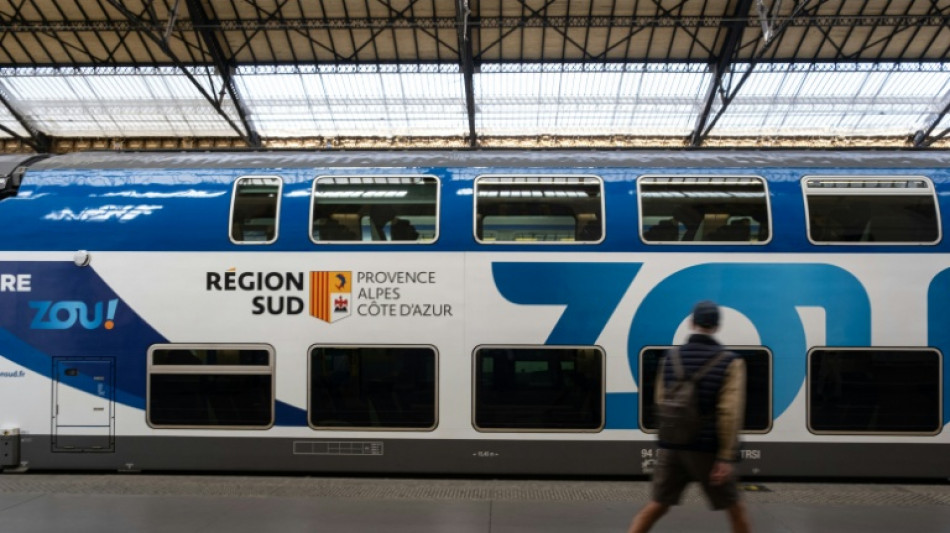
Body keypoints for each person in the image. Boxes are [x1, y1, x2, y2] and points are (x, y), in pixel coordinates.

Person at [628, 300, 750, 533]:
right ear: (717, 326)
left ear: (692, 323)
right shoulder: (731, 362)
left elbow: (661, 401)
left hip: (672, 447)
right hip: (706, 449)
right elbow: (730, 413)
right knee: (736, 509)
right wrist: (725, 456)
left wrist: (668, 437)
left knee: (657, 505)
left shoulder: (670, 359)